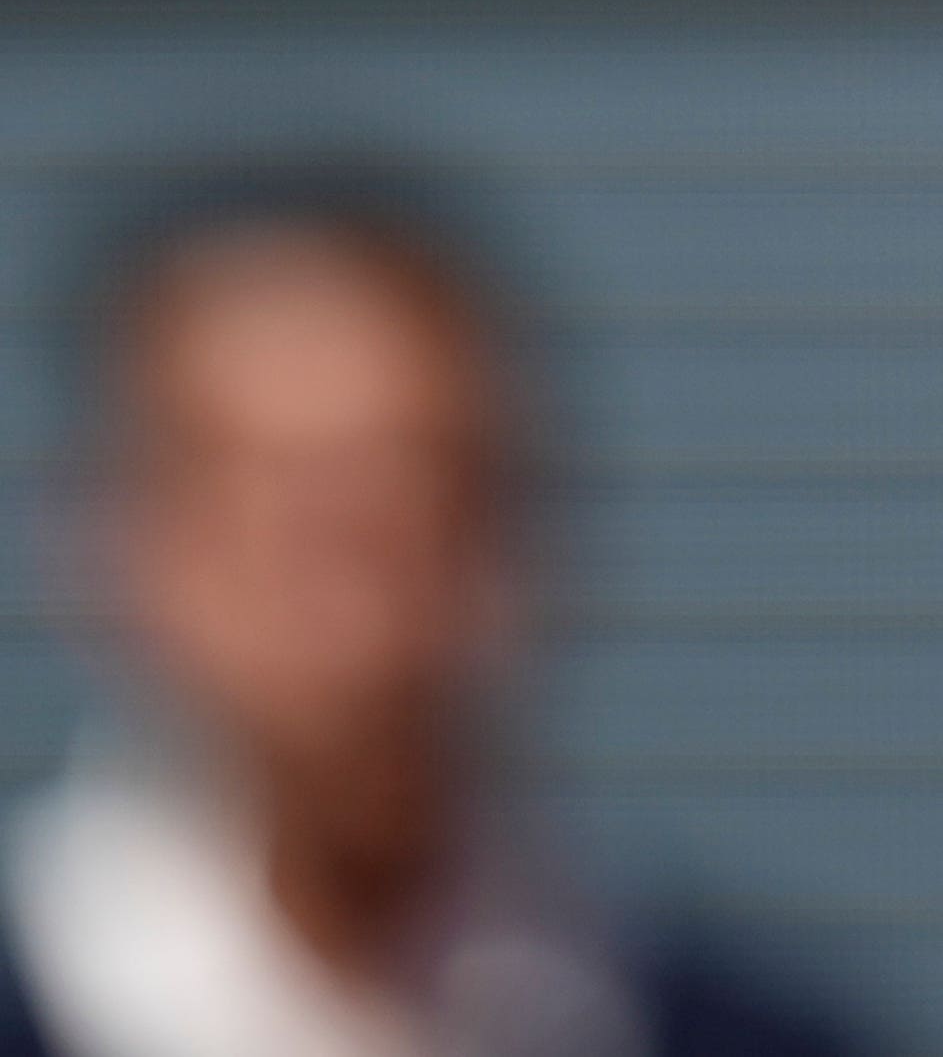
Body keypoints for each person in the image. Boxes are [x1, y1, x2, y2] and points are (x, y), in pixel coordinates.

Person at [7, 168, 868, 1057]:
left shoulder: (741, 1030)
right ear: (113, 538)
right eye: (292, 526)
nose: (359, 620)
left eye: (418, 513)